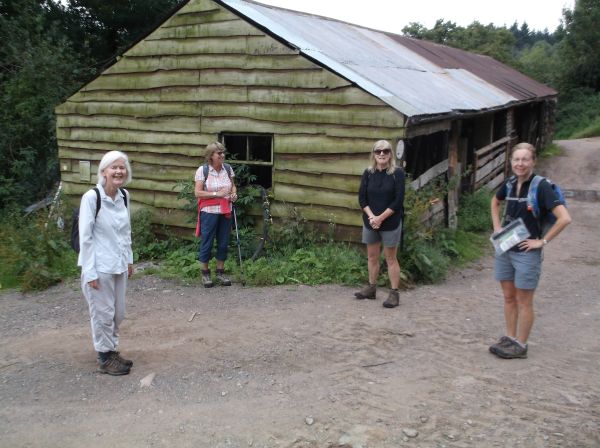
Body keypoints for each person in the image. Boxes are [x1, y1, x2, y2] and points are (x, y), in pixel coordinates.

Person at [489, 142, 571, 359]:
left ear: (533, 161)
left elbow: (564, 218)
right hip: (506, 247)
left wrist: (542, 242)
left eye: (525, 159)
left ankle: (521, 345)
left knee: (524, 300)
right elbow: (495, 202)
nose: (520, 164)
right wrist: (497, 227)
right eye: (516, 159)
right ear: (511, 162)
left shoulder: (541, 187)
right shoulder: (509, 183)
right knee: (508, 297)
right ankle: (509, 338)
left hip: (527, 253)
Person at [78, 150, 134, 376]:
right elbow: (85, 237)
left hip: (119, 263)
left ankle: (111, 350)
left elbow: (126, 230)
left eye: (122, 167)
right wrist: (89, 271)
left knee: (117, 313)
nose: (119, 171)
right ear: (104, 172)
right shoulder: (92, 198)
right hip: (99, 266)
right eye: (114, 167)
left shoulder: (124, 196)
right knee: (102, 313)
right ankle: (105, 357)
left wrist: (129, 258)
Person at [355, 139, 406, 308]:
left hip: (390, 222)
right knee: (372, 256)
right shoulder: (368, 173)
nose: (382, 154)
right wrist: (372, 217)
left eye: (385, 151)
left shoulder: (397, 174)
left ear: (390, 154)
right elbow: (362, 198)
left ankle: (394, 293)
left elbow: (398, 201)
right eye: (378, 151)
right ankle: (371, 288)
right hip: (371, 222)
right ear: (374, 154)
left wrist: (380, 218)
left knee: (390, 258)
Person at [194, 142, 238, 288]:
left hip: (225, 210)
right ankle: (205, 274)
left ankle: (220, 272)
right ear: (211, 156)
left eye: (223, 153)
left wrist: (234, 194)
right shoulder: (203, 170)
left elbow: (232, 185)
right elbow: (198, 192)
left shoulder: (227, 168)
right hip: (209, 211)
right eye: (219, 153)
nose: (222, 155)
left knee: (223, 242)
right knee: (207, 241)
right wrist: (216, 194)